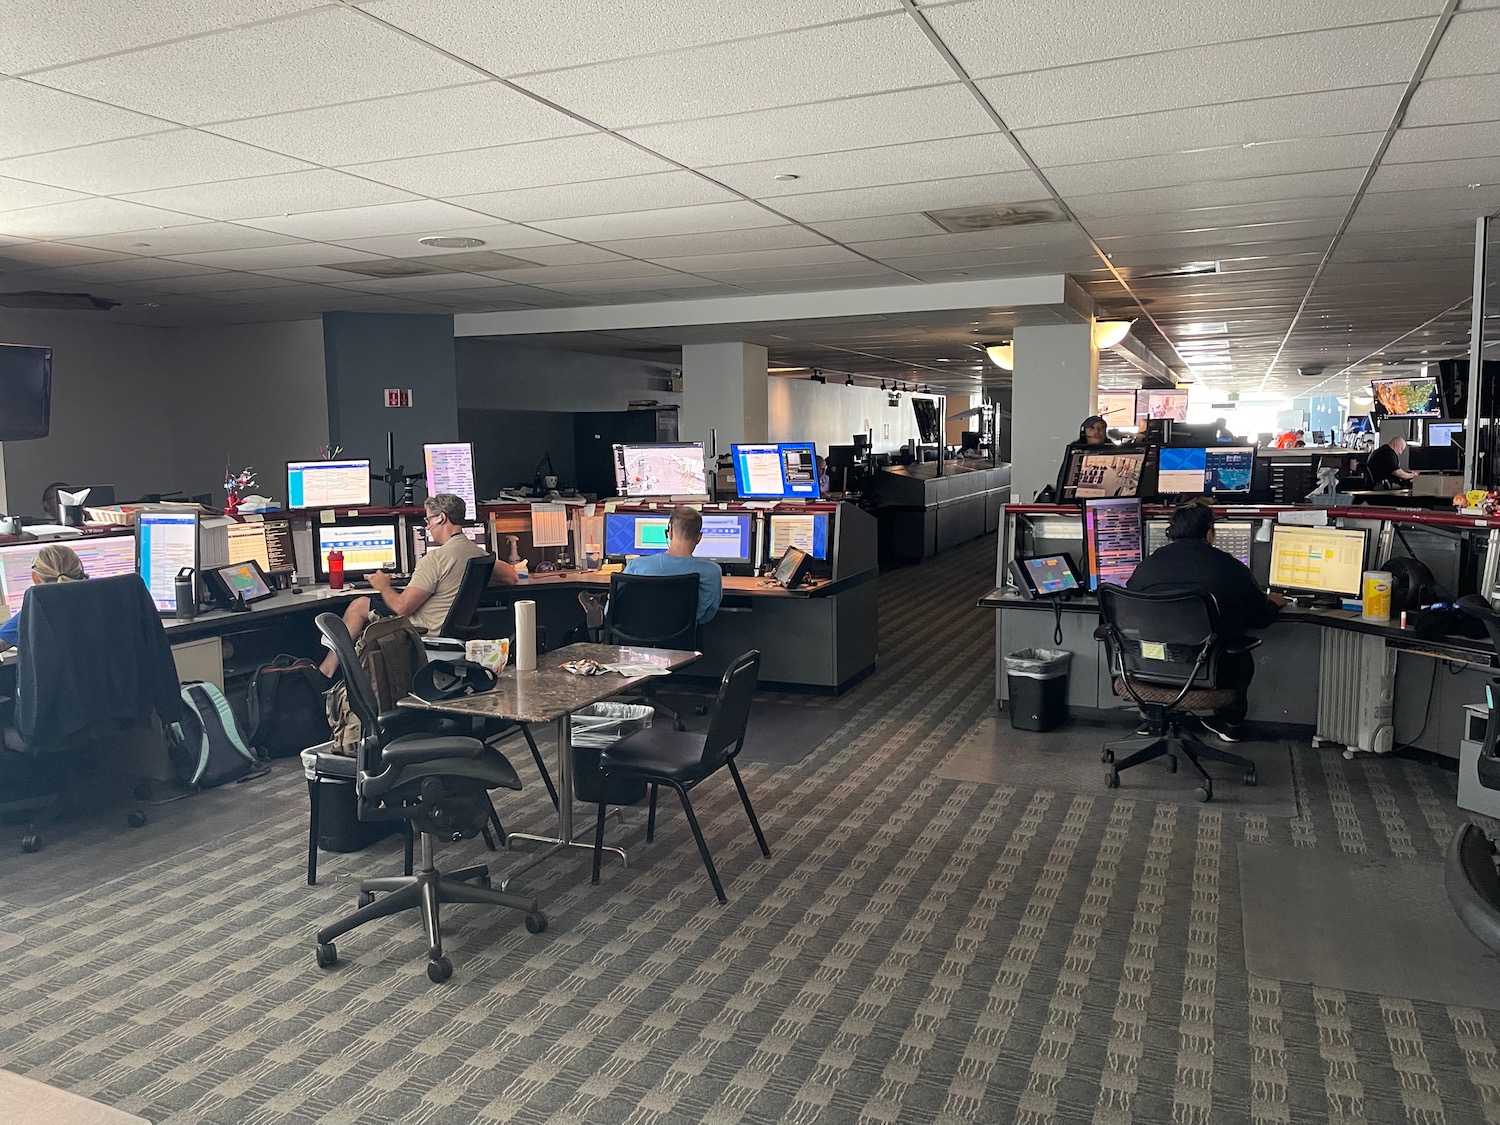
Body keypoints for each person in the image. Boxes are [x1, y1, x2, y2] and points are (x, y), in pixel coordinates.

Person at [1126, 500, 1285, 742]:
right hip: (1209, 675)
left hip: (1148, 669)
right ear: (1209, 534)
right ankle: (1229, 724)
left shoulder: (1146, 567)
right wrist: (1273, 602)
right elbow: (1259, 618)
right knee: (1238, 653)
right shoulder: (1230, 568)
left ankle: (1152, 716)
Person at [319, 493, 517, 677]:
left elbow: (402, 607)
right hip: (453, 632)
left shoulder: (436, 559)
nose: (428, 526)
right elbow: (511, 576)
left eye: (428, 520)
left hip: (422, 631)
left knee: (360, 604)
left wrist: (383, 585)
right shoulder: (479, 554)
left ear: (441, 518)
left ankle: (327, 673)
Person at [622, 505, 723, 625]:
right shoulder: (712, 572)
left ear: (670, 532)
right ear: (699, 537)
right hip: (682, 639)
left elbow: (611, 609)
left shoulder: (637, 566)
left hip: (635, 637)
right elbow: (707, 616)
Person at [0, 543, 87, 650]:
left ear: (35, 578)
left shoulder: (34, 612)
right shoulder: (101, 599)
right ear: (80, 572)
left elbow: (2, 640)